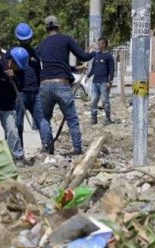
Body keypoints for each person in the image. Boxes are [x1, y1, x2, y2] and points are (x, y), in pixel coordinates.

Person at [37, 15, 97, 155]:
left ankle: (47, 147)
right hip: (61, 84)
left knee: (45, 118)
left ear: (46, 28)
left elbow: (54, 63)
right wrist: (94, 52)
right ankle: (77, 148)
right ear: (58, 26)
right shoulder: (66, 39)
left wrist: (75, 68)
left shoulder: (42, 44)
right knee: (72, 119)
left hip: (45, 84)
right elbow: (83, 56)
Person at [13, 23, 52, 159]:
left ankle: (46, 148)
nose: (27, 41)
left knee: (39, 120)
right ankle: (20, 153)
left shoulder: (33, 52)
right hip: (23, 92)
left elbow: (39, 71)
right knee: (20, 123)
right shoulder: (16, 52)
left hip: (32, 92)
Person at [0, 44, 28, 161]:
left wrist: (14, 77)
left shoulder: (20, 72)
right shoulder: (1, 63)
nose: (19, 68)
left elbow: (21, 87)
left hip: (8, 108)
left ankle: (18, 157)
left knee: (13, 132)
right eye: (17, 65)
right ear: (12, 61)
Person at [87, 37, 115, 126]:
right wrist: (88, 76)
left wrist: (110, 81)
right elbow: (93, 68)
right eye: (98, 43)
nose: (99, 45)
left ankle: (108, 119)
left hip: (104, 82)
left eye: (101, 43)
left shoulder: (109, 56)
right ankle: (93, 118)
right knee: (94, 100)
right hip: (95, 82)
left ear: (104, 44)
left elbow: (112, 69)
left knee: (105, 101)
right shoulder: (96, 55)